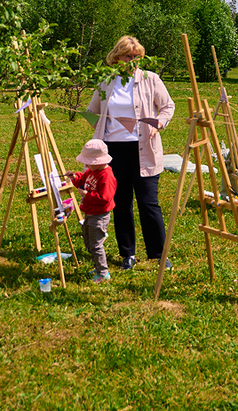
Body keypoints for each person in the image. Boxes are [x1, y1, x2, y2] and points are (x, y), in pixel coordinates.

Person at [87, 35, 175, 270]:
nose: (133, 61)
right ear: (117, 57)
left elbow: (168, 106)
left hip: (144, 148)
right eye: (128, 56)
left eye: (137, 57)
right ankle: (128, 254)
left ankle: (158, 254)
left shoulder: (151, 79)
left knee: (149, 203)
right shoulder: (106, 81)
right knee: (121, 202)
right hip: (113, 151)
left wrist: (158, 124)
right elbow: (92, 111)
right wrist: (102, 132)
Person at [70, 138, 117, 284]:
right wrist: (74, 177)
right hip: (90, 212)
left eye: (88, 161)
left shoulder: (106, 176)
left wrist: (87, 195)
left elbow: (105, 198)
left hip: (100, 215)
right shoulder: (92, 171)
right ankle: (98, 268)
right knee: (89, 242)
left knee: (96, 245)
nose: (85, 164)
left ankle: (103, 273)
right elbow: (83, 180)